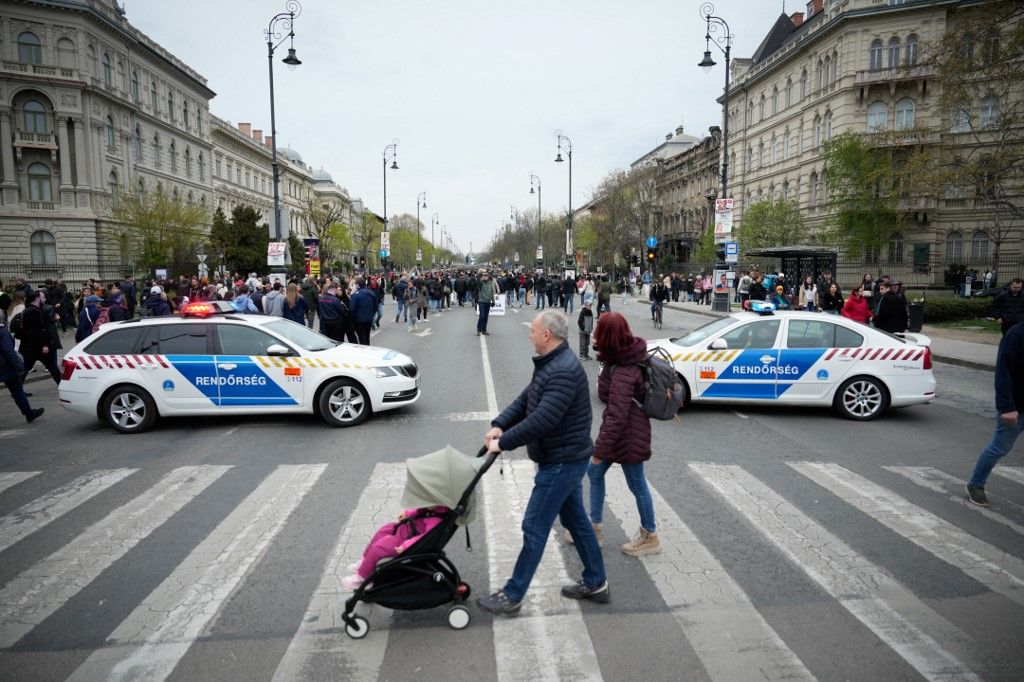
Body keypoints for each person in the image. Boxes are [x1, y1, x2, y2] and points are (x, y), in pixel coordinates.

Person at [477, 310, 608, 615]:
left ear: (547, 335)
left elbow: (542, 420)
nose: (530, 334)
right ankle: (597, 582)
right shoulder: (552, 363)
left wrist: (503, 443)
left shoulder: (561, 369)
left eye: (533, 330)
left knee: (533, 525)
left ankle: (513, 594)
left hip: (562, 461)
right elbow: (528, 399)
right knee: (575, 521)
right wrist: (500, 423)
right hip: (564, 456)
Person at [568, 312, 660, 556]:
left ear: (608, 336)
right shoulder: (620, 358)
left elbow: (618, 415)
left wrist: (600, 450)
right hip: (623, 431)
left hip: (628, 435)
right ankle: (595, 527)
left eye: (599, 331)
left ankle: (650, 536)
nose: (595, 334)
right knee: (595, 473)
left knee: (637, 484)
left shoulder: (624, 369)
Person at [966, 321, 1024, 507]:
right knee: (1000, 447)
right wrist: (1007, 407)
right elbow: (1003, 372)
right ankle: (975, 484)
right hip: (1017, 407)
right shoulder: (1016, 334)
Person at [340, 505, 450, 589]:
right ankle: (364, 562)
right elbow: (419, 512)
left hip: (404, 541)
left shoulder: (436, 520)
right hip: (406, 530)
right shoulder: (432, 508)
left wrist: (406, 545)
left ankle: (362, 578)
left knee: (378, 548)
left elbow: (424, 538)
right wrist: (407, 513)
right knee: (383, 530)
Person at [1, 311, 44, 423]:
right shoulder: (2, 331)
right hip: (6, 366)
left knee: (17, 391)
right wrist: (20, 366)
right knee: (17, 391)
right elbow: (8, 351)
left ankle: (29, 413)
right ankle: (29, 414)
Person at [19, 289, 61, 385]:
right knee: (53, 367)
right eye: (43, 297)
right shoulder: (35, 311)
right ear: (37, 298)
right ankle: (63, 386)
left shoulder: (28, 309)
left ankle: (17, 390)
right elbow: (38, 330)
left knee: (26, 368)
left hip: (30, 346)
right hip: (37, 347)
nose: (44, 299)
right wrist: (44, 345)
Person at [350, 276, 376, 345]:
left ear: (357, 285)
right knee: (367, 337)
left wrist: (352, 320)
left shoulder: (355, 295)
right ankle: (368, 348)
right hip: (369, 319)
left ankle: (365, 351)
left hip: (359, 320)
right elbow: (375, 306)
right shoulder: (371, 293)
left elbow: (352, 309)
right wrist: (371, 314)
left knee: (362, 338)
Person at [476, 270, 496, 336]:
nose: (485, 277)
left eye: (486, 276)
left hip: (488, 301)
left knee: (486, 316)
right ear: (482, 277)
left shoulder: (490, 282)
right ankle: (479, 330)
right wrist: (481, 272)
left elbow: (492, 292)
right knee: (482, 315)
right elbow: (478, 277)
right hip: (481, 301)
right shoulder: (480, 283)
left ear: (488, 277)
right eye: (484, 276)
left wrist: (493, 301)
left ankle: (484, 330)